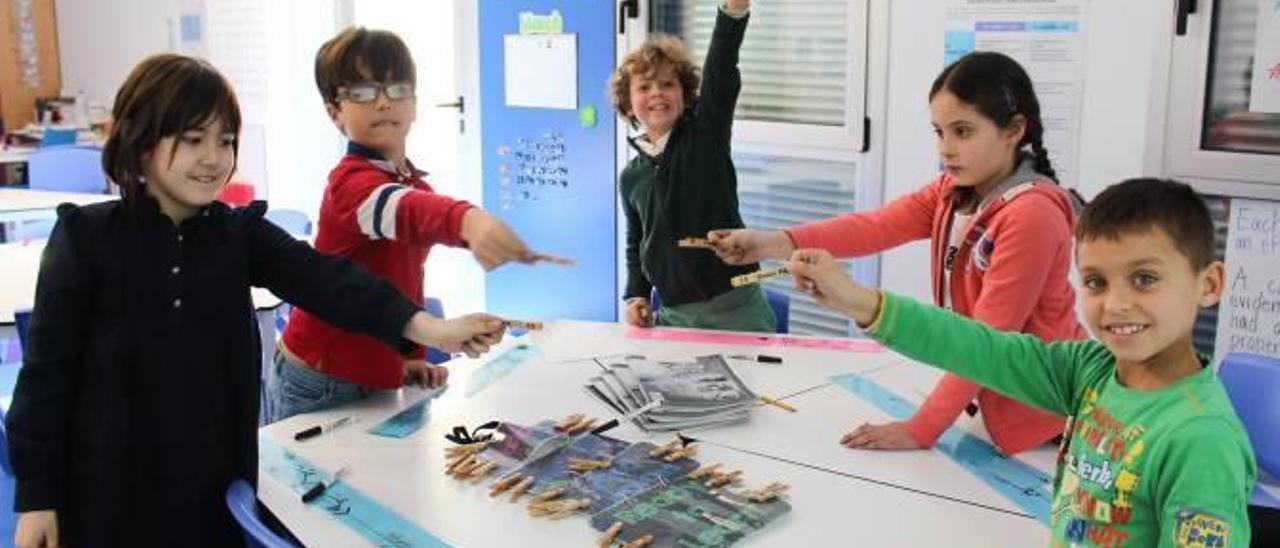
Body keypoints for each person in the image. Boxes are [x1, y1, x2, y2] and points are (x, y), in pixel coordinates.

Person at [6, 53, 505, 547]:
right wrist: (36, 498)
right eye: (192, 140)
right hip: (104, 493)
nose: (213, 158)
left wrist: (430, 330)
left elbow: (330, 282)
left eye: (225, 141)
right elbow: (45, 379)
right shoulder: (86, 240)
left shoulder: (236, 235)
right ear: (140, 142)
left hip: (211, 488)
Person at [788, 178, 1255, 546]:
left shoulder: (1201, 440)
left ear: (1209, 285)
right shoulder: (1090, 369)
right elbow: (978, 348)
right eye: (1095, 282)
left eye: (1145, 279)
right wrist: (857, 301)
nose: (1115, 305)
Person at [710, 51, 1083, 455]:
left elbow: (987, 342)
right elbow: (875, 226)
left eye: (963, 132)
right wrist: (769, 243)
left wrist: (921, 429)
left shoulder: (1032, 215)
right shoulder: (953, 193)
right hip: (988, 404)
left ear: (1013, 130)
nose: (947, 149)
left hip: (1044, 418)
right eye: (939, 132)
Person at [270, 27, 551, 422]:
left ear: (415, 104)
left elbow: (405, 279)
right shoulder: (348, 185)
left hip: (378, 373)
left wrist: (410, 356)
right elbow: (405, 209)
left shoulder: (414, 183)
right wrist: (466, 220)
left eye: (397, 89)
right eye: (363, 93)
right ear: (334, 112)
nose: (384, 103)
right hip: (320, 378)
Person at [609, 0, 776, 333]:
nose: (657, 93)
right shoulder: (631, 176)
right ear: (628, 105)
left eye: (668, 84)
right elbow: (636, 240)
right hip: (674, 315)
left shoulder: (704, 139)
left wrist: (732, 13)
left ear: (685, 95)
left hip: (737, 309)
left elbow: (721, 70)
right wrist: (637, 295)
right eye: (644, 87)